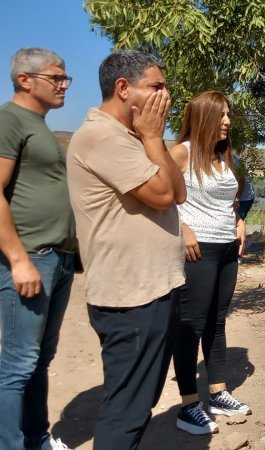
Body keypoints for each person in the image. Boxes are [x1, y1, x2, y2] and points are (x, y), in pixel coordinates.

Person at [66, 50, 186, 449]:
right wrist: (154, 136)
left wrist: (152, 138)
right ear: (123, 88)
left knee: (140, 403)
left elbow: (179, 193)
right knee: (126, 412)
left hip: (154, 290)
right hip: (130, 298)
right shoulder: (101, 136)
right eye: (156, 86)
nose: (165, 95)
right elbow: (164, 192)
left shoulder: (131, 137)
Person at [0, 47, 75, 450]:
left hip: (57, 258)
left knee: (40, 359)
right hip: (31, 258)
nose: (64, 85)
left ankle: (35, 438)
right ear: (25, 80)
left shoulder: (39, 124)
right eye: (56, 78)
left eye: (66, 79)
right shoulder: (9, 120)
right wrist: (17, 259)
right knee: (18, 364)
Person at [169, 91, 249, 435]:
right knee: (192, 324)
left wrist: (240, 220)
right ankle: (188, 405)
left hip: (228, 247)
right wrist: (181, 227)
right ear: (203, 118)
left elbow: (232, 200)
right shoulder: (180, 153)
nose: (227, 121)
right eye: (221, 115)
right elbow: (158, 198)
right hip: (196, 249)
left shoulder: (224, 157)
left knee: (217, 321)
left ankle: (217, 392)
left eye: (228, 115)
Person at [233, 152, 255, 221]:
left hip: (244, 198)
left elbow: (241, 181)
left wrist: (237, 198)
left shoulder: (234, 160)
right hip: (236, 197)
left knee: (236, 223)